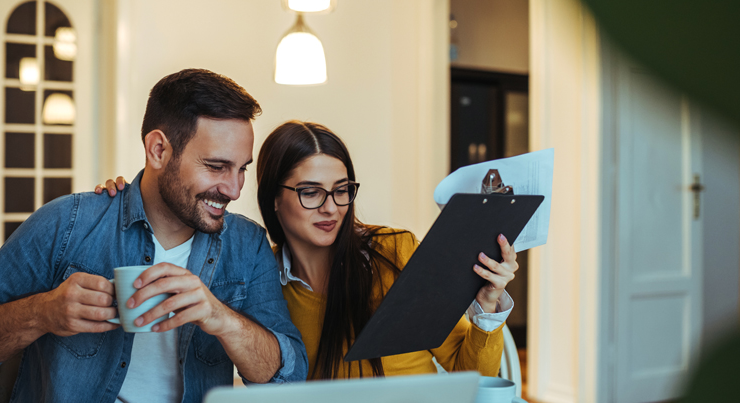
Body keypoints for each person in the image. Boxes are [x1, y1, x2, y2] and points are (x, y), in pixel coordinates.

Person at [0, 69, 308, 403]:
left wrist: (220, 317)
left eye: (242, 169)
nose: (234, 189)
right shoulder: (69, 224)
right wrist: (44, 312)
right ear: (158, 150)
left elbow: (289, 375)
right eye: (216, 166)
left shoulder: (247, 244)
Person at [97, 120, 515, 380]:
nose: (331, 208)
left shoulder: (394, 252)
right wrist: (128, 194)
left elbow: (471, 373)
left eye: (341, 191)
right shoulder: (260, 280)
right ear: (274, 199)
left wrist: (488, 308)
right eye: (311, 192)